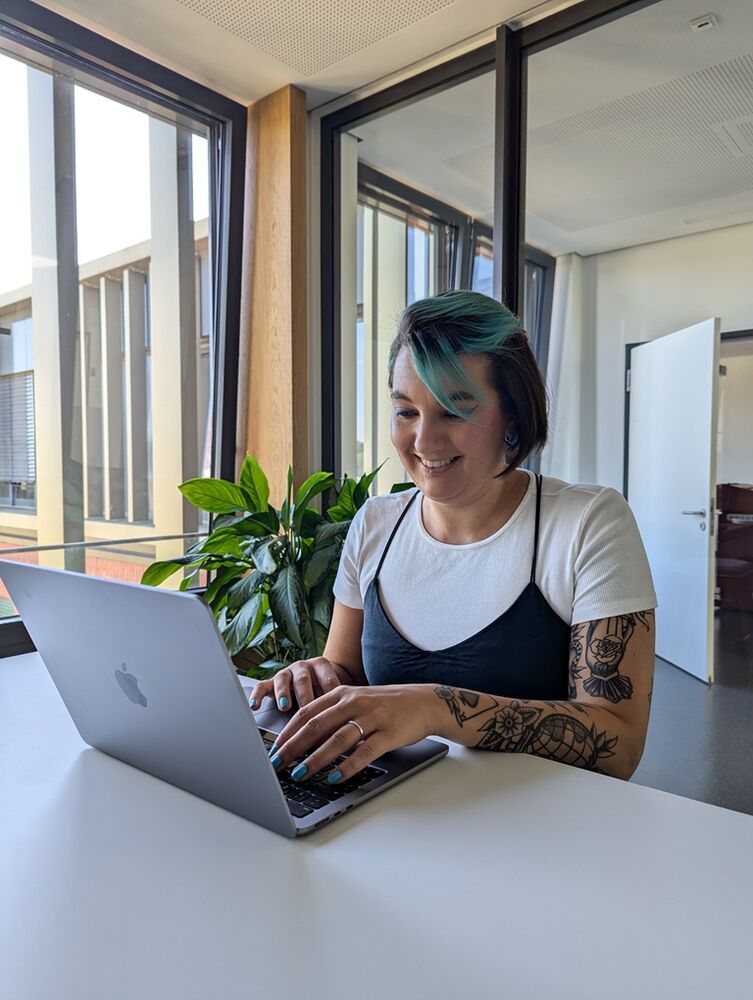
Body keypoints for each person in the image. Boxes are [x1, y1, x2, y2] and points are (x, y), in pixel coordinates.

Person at [251, 290, 657, 785]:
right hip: (390, 815)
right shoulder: (376, 524)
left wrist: (438, 707)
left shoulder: (587, 523)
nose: (423, 442)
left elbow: (619, 744)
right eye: (406, 412)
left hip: (537, 833)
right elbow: (346, 673)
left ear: (513, 416)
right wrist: (314, 678)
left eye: (453, 411)